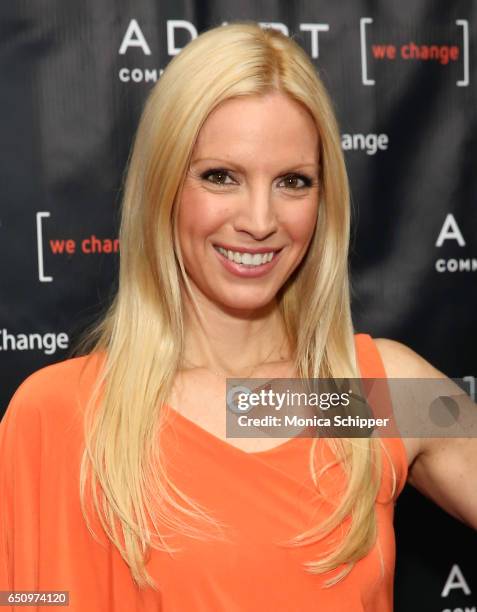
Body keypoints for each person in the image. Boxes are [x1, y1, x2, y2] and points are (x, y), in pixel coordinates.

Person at [1, 20, 476, 612]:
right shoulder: (60, 412)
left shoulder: (361, 395)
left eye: (293, 182)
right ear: (164, 185)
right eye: (220, 176)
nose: (259, 218)